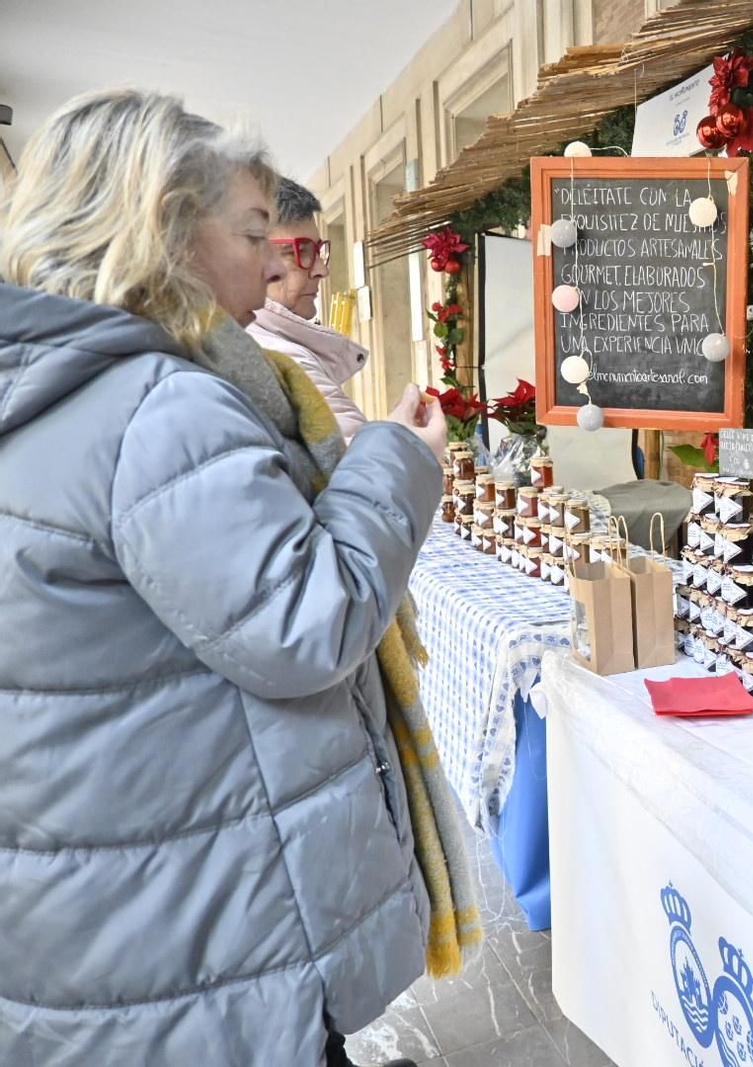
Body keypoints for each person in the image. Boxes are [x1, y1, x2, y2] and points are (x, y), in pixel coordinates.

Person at [0, 90, 446, 1066]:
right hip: (204, 937)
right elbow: (300, 624)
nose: (275, 262)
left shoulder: (39, 389)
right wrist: (398, 459)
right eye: (251, 231)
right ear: (166, 224)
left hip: (108, 911)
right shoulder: (155, 409)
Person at [246, 175, 370, 441]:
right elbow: (367, 473)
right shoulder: (282, 359)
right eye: (300, 252)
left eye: (318, 251)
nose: (321, 270)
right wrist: (408, 436)